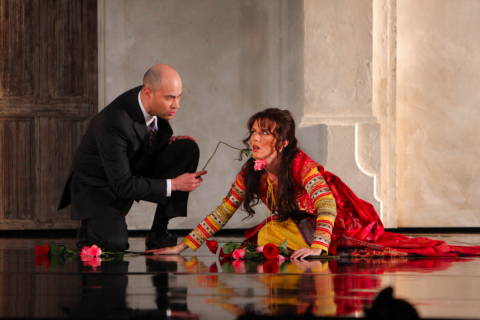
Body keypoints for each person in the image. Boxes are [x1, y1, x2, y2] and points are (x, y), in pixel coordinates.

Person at [149, 108, 480, 259]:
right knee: (266, 233)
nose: (255, 138)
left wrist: (320, 246)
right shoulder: (252, 171)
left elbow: (327, 204)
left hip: (333, 225)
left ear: (282, 142)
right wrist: (185, 245)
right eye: (253, 131)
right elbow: (223, 211)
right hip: (295, 224)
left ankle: (311, 247)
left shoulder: (301, 166)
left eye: (264, 132)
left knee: (293, 236)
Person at [58, 64, 207, 252]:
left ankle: (159, 232)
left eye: (179, 96)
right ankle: (89, 231)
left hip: (130, 167)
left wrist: (166, 146)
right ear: (147, 93)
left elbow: (144, 139)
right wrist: (175, 184)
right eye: (169, 97)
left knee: (186, 149)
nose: (176, 105)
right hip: (100, 187)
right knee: (113, 245)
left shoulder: (154, 103)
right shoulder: (113, 122)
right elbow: (123, 184)